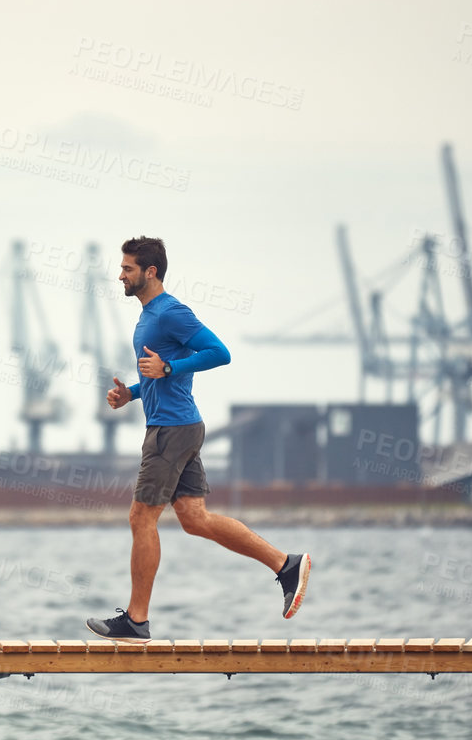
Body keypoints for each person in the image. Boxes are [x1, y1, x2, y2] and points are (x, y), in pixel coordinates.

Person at [85, 237, 311, 643]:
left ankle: (136, 620)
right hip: (175, 424)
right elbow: (160, 375)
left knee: (141, 517)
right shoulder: (147, 316)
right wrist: (131, 394)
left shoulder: (171, 312)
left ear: (150, 272)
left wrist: (168, 366)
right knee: (195, 519)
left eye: (127, 268)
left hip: (172, 430)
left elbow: (218, 352)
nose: (120, 274)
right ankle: (285, 564)